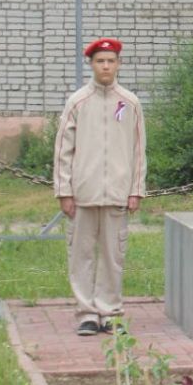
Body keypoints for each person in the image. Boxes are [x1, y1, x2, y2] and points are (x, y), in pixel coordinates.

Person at [53, 38, 146, 336]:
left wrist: (136, 189)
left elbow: (138, 149)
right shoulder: (77, 102)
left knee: (112, 254)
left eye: (110, 61)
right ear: (91, 65)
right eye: (99, 61)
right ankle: (87, 313)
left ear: (118, 64)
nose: (105, 66)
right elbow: (63, 150)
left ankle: (109, 311)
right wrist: (64, 191)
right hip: (83, 193)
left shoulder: (129, 102)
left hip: (118, 192)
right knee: (81, 254)